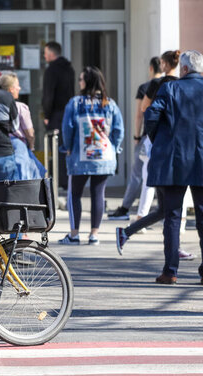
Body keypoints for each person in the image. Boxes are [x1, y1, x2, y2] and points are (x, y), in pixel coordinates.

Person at [116, 51, 194, 261]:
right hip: (167, 152)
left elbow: (145, 111)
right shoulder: (174, 86)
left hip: (161, 150)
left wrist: (146, 136)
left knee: (166, 210)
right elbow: (148, 112)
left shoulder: (163, 85)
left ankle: (128, 233)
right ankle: (170, 250)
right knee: (170, 209)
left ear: (163, 63)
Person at [143, 50, 203, 284]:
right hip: (200, 159)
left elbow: (151, 116)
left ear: (185, 69)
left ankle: (170, 271)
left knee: (173, 217)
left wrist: (160, 140)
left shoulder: (170, 88)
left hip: (174, 160)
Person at [58, 66, 124, 246]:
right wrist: (114, 148)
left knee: (74, 195)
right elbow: (119, 130)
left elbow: (68, 127)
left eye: (81, 79)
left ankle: (74, 234)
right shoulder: (109, 103)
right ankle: (94, 234)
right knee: (98, 195)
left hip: (80, 157)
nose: (79, 82)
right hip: (103, 157)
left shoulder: (75, 103)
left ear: (86, 82)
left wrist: (68, 147)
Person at [108, 57, 162, 220]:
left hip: (148, 136)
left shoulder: (147, 87)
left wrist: (136, 136)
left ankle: (126, 208)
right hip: (166, 137)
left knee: (138, 174)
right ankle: (162, 210)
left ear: (151, 68)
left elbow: (140, 114)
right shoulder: (171, 84)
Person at [0, 72, 46, 180]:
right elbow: (29, 133)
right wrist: (31, 145)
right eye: (17, 86)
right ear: (11, 89)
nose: (19, 88)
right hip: (18, 147)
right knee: (24, 179)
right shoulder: (20, 107)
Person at [42, 41, 75, 190]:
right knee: (66, 147)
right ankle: (67, 179)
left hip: (56, 114)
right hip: (69, 113)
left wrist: (47, 114)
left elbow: (48, 94)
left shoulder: (51, 70)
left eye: (45, 52)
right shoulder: (69, 69)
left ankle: (60, 181)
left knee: (56, 148)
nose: (44, 55)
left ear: (50, 53)